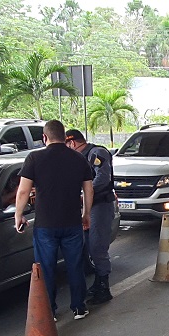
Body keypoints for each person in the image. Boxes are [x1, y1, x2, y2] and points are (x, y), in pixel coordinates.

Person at [15, 120, 94, 321]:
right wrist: (86, 214)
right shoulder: (78, 159)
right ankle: (78, 307)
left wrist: (18, 214)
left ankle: (49, 310)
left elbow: (23, 190)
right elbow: (88, 189)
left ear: (44, 137)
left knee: (46, 268)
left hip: (45, 226)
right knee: (75, 265)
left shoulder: (34, 157)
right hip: (72, 223)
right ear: (64, 136)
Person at [65, 129, 115, 305]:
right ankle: (97, 283)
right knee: (87, 246)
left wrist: (84, 194)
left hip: (99, 206)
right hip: (87, 206)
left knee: (97, 247)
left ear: (72, 142)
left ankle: (104, 287)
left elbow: (102, 178)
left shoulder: (96, 153)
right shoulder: (77, 158)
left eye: (67, 145)